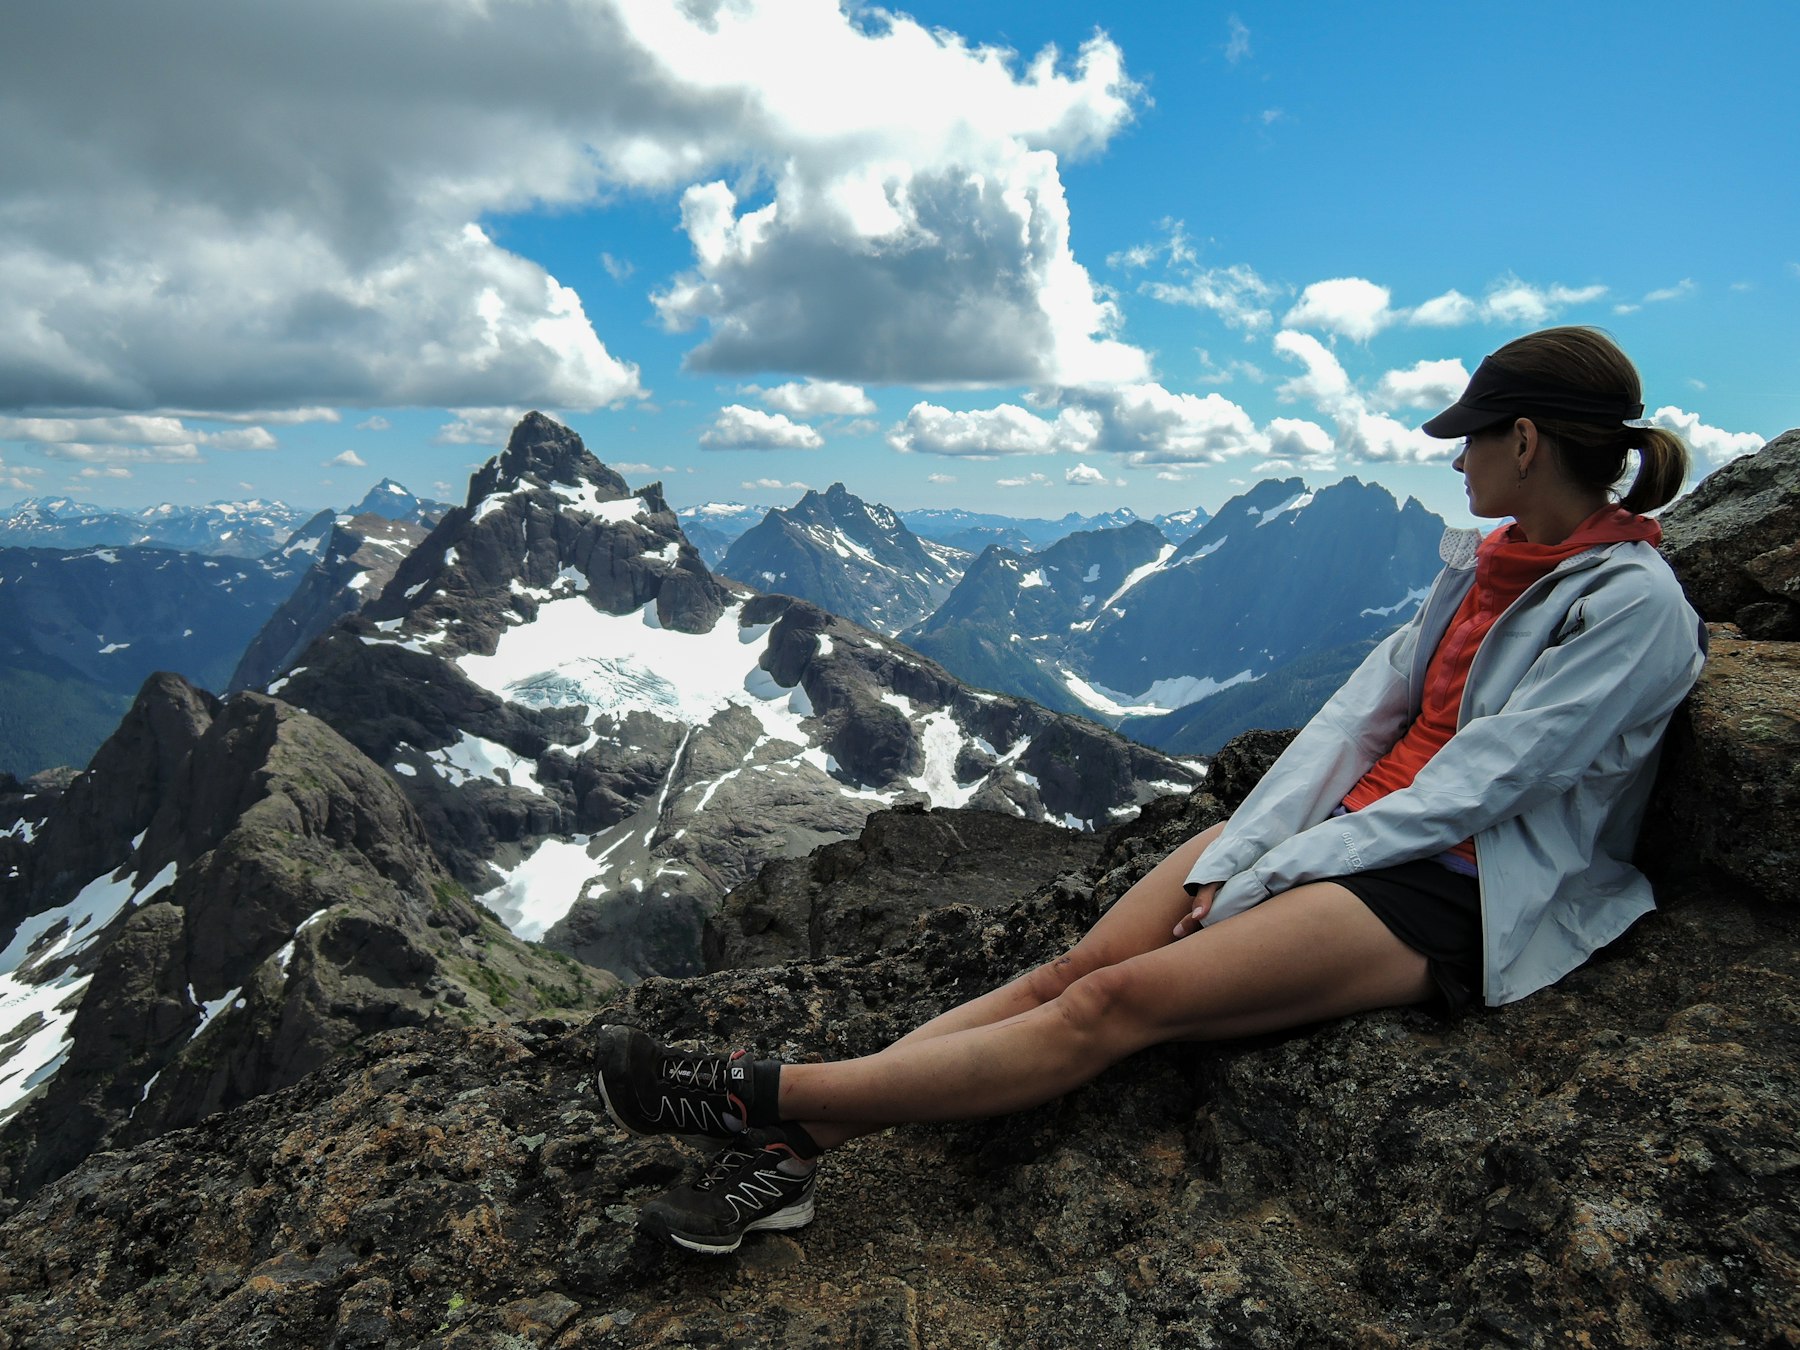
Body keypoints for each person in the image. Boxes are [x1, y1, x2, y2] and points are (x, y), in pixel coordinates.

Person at [594, 325, 1708, 1255]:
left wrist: (1272, 873)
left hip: (1453, 886)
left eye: (1469, 439)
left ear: (1524, 439)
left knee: (1107, 1009)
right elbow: (1354, 724)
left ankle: (755, 1096)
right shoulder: (1481, 564)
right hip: (1337, 836)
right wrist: (1244, 854)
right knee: (1077, 966)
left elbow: (1484, 785)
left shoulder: (1633, 608)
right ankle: (792, 1154)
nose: (1456, 464)